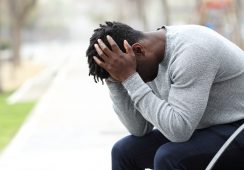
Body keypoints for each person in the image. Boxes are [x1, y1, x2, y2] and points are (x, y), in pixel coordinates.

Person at [86, 21, 244, 170]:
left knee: (169, 157)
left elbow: (179, 131)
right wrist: (115, 82)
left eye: (130, 73)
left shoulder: (192, 52)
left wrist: (130, 77)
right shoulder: (144, 58)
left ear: (138, 50)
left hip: (237, 127)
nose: (132, 78)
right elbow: (139, 128)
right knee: (123, 151)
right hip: (200, 126)